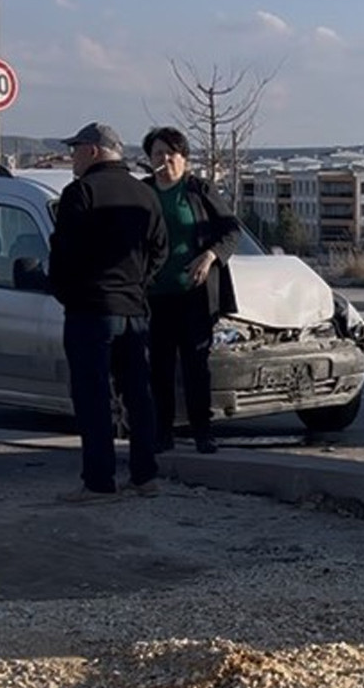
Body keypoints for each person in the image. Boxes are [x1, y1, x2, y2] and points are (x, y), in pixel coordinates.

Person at [48, 122, 167, 502]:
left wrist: (67, 293)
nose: (72, 157)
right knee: (138, 395)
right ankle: (145, 475)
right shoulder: (144, 193)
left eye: (75, 150)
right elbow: (160, 249)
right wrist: (138, 283)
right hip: (134, 309)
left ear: (93, 151)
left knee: (93, 396)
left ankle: (99, 481)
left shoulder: (80, 192)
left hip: (91, 311)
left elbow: (64, 253)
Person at [140, 126, 241, 455]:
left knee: (196, 365)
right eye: (158, 154)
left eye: (172, 154)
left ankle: (202, 431)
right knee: (160, 367)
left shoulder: (198, 190)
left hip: (195, 295)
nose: (165, 160)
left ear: (184, 159)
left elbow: (231, 230)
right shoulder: (144, 193)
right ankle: (162, 432)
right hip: (156, 295)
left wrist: (211, 256)